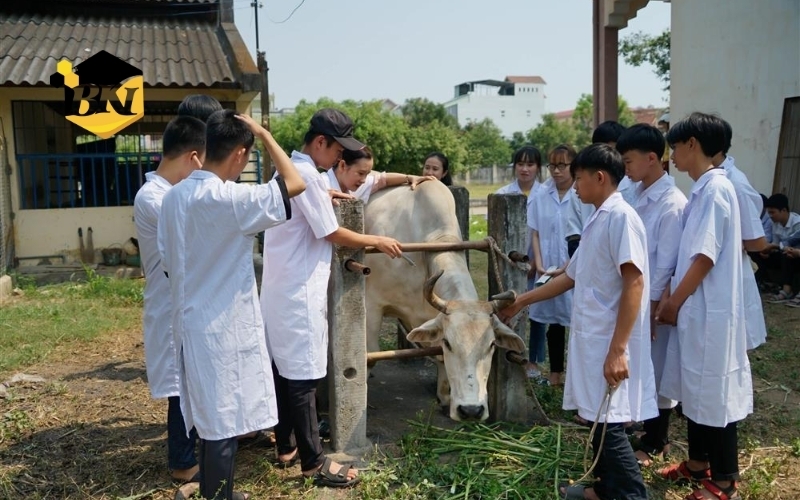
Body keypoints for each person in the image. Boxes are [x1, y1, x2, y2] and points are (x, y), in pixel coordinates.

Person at [158, 110, 306, 500]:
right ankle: (219, 496)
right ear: (240, 154)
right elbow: (295, 182)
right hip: (222, 326)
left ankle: (213, 491)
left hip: (188, 321)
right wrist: (266, 135)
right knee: (223, 420)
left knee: (209, 416)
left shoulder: (173, 197)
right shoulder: (232, 198)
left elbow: (167, 261)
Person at [498, 143, 656, 500]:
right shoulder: (598, 217)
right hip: (592, 336)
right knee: (598, 417)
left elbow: (635, 281)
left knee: (610, 422)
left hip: (609, 338)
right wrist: (520, 302)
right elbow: (570, 277)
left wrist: (618, 350)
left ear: (599, 178)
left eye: (579, 177)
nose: (574, 184)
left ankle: (632, 495)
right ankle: (604, 490)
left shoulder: (621, 218)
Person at [261, 108, 402, 489]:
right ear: (320, 142)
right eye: (338, 151)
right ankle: (314, 462)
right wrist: (377, 240)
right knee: (304, 377)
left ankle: (287, 446)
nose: (339, 159)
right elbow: (331, 233)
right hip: (299, 289)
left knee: (284, 371)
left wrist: (326, 194)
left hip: (280, 288)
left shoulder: (293, 170)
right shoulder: (306, 174)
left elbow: (308, 203)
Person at [656, 112, 752, 500]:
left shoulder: (715, 190)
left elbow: (704, 257)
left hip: (707, 311)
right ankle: (698, 462)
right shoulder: (705, 189)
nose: (673, 156)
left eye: (675, 147)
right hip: (699, 310)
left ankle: (725, 478)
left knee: (713, 390)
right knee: (693, 386)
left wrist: (674, 302)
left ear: (692, 144)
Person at [134, 114, 207, 488]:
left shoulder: (168, 194)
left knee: (190, 378)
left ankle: (193, 452)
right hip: (169, 304)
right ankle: (182, 463)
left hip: (182, 301)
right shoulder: (155, 198)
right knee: (179, 385)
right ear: (194, 157)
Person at [616, 124, 687, 467]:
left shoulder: (672, 203)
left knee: (659, 370)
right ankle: (643, 426)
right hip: (642, 297)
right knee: (644, 366)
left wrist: (656, 305)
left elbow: (668, 262)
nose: (625, 168)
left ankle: (658, 440)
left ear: (652, 159)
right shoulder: (640, 193)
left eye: (628, 160)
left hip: (656, 300)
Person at [707, 118, 769, 350]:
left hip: (730, 272)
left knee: (734, 347)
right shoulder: (708, 180)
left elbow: (757, 241)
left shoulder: (736, 183)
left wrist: (731, 241)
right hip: (715, 276)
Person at [527, 144, 577, 386]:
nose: (556, 172)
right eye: (553, 166)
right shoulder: (541, 194)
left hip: (574, 267)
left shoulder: (582, 194)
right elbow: (535, 231)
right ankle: (555, 374)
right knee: (554, 322)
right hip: (547, 267)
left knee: (577, 321)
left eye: (562, 166)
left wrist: (570, 264)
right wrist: (538, 262)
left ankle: (576, 377)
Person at [564, 121, 628, 258]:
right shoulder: (578, 190)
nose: (609, 157)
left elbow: (632, 276)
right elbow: (574, 237)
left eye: (615, 151)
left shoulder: (623, 213)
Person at [324, 146, 435, 202]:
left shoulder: (357, 185)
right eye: (361, 173)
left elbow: (382, 179)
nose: (364, 180)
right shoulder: (321, 186)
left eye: (367, 174)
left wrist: (409, 177)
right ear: (343, 166)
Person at [757, 193, 800, 303]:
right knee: (758, 253)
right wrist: (768, 250)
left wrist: (776, 247)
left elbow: (790, 242)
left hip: (794, 256)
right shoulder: (775, 223)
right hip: (788, 253)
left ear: (784, 210)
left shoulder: (797, 223)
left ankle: (787, 291)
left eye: (773, 212)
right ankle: (765, 282)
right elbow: (778, 244)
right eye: (769, 212)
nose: (770, 216)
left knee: (787, 253)